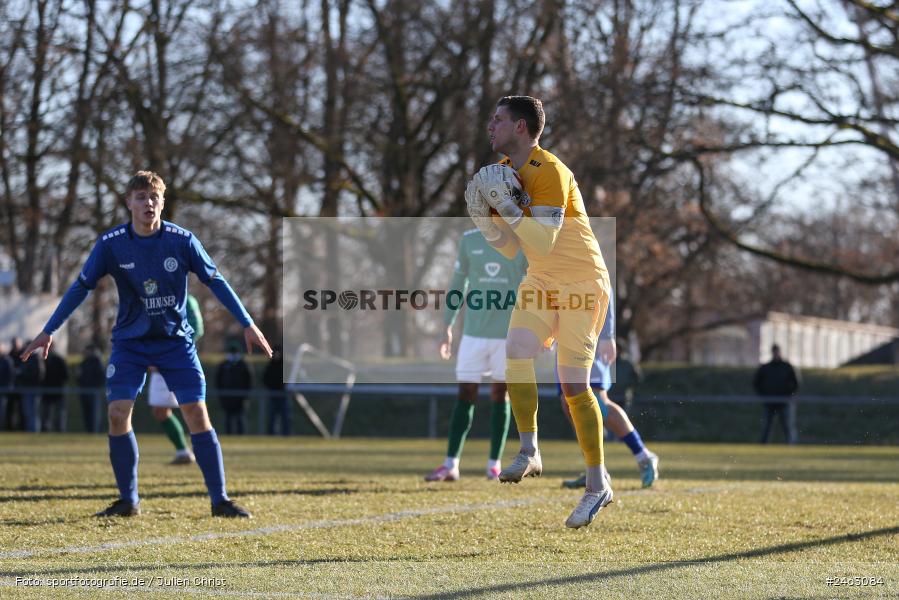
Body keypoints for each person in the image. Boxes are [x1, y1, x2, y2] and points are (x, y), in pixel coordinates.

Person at [20, 170, 272, 518]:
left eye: (154, 197)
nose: (148, 203)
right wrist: (49, 329)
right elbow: (81, 287)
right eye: (140, 197)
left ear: (162, 203)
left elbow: (216, 280)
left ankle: (220, 500)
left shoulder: (182, 241)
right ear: (129, 203)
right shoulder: (111, 244)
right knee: (117, 413)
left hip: (175, 343)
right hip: (130, 344)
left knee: (197, 414)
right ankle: (128, 500)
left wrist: (247, 323)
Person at [465, 96, 613, 528]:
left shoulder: (547, 170)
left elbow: (545, 240)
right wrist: (486, 223)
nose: (491, 127)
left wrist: (506, 208)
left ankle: (596, 484)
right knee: (517, 347)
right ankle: (529, 449)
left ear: (523, 128)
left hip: (582, 279)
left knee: (573, 384)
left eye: (499, 120)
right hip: (543, 278)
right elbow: (513, 247)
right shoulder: (506, 175)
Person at [424, 229, 527, 482]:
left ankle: (494, 464)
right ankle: (451, 464)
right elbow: (459, 283)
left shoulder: (523, 239)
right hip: (472, 335)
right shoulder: (469, 240)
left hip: (508, 335)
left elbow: (536, 284)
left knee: (500, 394)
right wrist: (447, 325)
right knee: (465, 393)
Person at [557, 297, 659, 489]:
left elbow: (604, 287)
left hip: (588, 334)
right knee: (568, 403)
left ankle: (643, 456)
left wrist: (607, 335)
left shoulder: (589, 266)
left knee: (596, 401)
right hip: (565, 337)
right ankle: (594, 468)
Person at [147, 293, 204, 464]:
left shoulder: (187, 300)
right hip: (158, 362)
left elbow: (197, 328)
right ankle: (183, 452)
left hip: (177, 359)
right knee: (160, 411)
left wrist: (172, 351)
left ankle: (202, 451)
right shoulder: (151, 299)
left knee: (192, 409)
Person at [754, 344, 800, 444]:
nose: (776, 354)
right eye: (774, 352)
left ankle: (792, 444)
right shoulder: (766, 367)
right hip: (769, 401)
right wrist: (764, 396)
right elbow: (756, 383)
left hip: (784, 402)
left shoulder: (787, 367)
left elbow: (796, 383)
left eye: (777, 352)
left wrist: (789, 396)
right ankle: (763, 445)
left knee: (788, 426)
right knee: (767, 426)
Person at [216, 341, 253, 435]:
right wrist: (222, 395)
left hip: (240, 398)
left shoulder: (244, 365)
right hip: (227, 398)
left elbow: (249, 381)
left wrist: (245, 395)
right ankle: (229, 435)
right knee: (228, 420)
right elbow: (218, 381)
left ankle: (241, 436)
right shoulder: (223, 365)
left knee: (240, 419)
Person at [77, 344, 105, 433]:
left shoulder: (97, 362)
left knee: (95, 413)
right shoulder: (83, 363)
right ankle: (89, 431)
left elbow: (101, 377)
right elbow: (80, 378)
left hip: (94, 392)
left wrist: (96, 387)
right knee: (86, 413)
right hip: (84, 392)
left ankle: (96, 431)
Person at [41, 347, 70, 432]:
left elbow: (65, 375)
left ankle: (60, 430)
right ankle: (47, 429)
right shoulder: (45, 360)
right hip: (48, 391)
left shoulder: (59, 360)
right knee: (48, 413)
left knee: (60, 413)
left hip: (58, 391)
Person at [264, 346, 289, 435]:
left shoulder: (285, 366)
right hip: (273, 395)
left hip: (283, 395)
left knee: (285, 417)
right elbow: (265, 379)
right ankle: (271, 434)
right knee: (272, 417)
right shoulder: (270, 366)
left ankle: (286, 434)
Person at [20, 351, 45, 432]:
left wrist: (26, 376)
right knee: (28, 412)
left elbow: (39, 374)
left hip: (34, 389)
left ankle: (34, 431)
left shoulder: (36, 358)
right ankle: (29, 430)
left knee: (34, 413)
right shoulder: (27, 359)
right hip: (27, 389)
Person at [6, 337, 25, 430]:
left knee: (22, 410)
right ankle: (10, 428)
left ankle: (22, 428)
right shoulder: (9, 355)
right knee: (11, 409)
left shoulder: (24, 354)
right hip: (11, 387)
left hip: (21, 387)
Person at [0, 342, 11, 430]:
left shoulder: (7, 360)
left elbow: (10, 376)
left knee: (2, 412)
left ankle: (2, 428)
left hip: (3, 390)